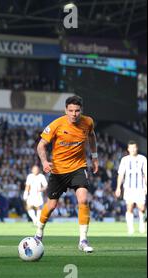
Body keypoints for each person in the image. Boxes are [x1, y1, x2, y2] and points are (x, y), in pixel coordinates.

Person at [34, 95, 98, 253]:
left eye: (77, 111)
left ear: (81, 110)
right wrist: (44, 162)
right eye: (71, 110)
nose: (74, 114)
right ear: (65, 110)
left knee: (83, 200)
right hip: (59, 170)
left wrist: (94, 157)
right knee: (51, 205)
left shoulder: (88, 122)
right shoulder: (56, 124)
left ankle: (83, 240)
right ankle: (39, 233)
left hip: (78, 167)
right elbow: (41, 146)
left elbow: (92, 136)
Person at [115, 141, 147, 234]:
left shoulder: (143, 159)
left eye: (134, 147)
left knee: (142, 208)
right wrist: (118, 187)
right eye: (131, 148)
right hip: (128, 188)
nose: (133, 149)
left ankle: (142, 224)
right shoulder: (124, 160)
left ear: (137, 148)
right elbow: (121, 174)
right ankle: (130, 228)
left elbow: (146, 173)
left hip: (140, 187)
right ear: (128, 149)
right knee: (129, 207)